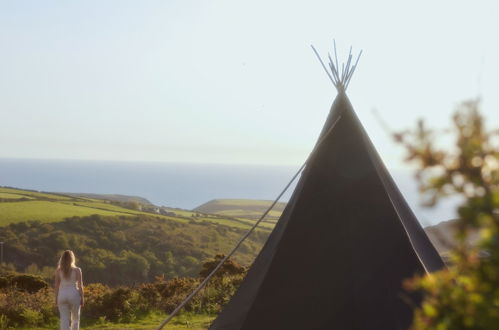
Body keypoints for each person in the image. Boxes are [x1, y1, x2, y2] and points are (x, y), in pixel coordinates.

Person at [54, 250, 84, 330]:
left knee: (64, 319)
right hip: (74, 294)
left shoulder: (58, 270)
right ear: (72, 258)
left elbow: (56, 286)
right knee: (75, 318)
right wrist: (82, 298)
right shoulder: (77, 270)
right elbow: (80, 285)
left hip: (62, 294)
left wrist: (56, 298)